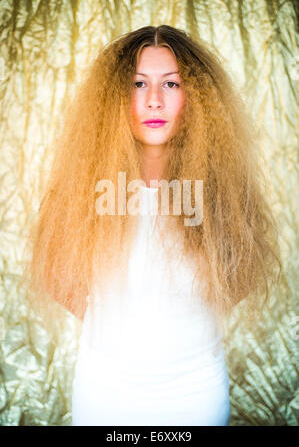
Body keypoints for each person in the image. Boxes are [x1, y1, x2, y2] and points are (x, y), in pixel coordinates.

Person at [23, 25, 282, 426]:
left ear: (196, 98)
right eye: (138, 83)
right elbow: (61, 281)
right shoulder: (81, 190)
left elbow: (239, 278)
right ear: (113, 98)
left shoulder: (223, 191)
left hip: (196, 393)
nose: (154, 101)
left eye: (172, 85)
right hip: (105, 394)